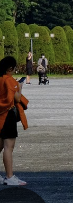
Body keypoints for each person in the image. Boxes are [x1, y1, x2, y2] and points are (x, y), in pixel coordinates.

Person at [0, 56, 28, 186]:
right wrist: (19, 86)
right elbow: (16, 98)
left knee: (0, 146)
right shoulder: (10, 81)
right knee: (8, 147)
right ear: (10, 68)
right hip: (8, 115)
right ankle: (9, 176)